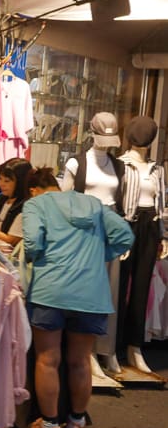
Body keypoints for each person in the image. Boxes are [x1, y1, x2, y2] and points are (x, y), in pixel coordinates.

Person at [22, 167, 134, 428]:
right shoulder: (94, 204)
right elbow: (126, 236)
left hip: (50, 291)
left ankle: (49, 426)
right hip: (91, 294)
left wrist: (37, 257)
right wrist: (100, 254)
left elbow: (32, 242)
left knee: (48, 360)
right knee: (80, 361)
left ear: (34, 189)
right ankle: (75, 423)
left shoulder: (35, 204)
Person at [61, 112, 126, 378]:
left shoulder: (118, 166)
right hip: (84, 231)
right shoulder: (77, 164)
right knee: (86, 292)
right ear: (91, 132)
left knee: (109, 292)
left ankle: (105, 348)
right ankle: (85, 351)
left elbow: (120, 203)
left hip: (110, 232)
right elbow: (65, 201)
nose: (106, 143)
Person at [117, 115, 166, 373]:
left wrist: (163, 236)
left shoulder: (157, 169)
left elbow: (160, 204)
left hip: (149, 226)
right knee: (119, 284)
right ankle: (112, 347)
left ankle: (134, 346)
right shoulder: (122, 165)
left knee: (141, 286)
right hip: (127, 224)